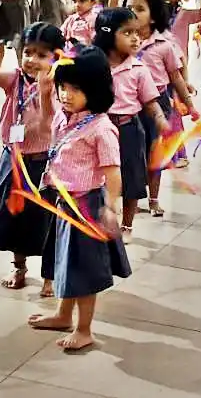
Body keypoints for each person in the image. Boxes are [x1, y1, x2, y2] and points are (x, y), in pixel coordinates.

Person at [26, 46, 130, 352]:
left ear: (95, 90)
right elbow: (48, 120)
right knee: (66, 262)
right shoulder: (67, 117)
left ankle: (84, 329)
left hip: (87, 206)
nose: (66, 94)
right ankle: (62, 315)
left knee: (84, 269)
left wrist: (111, 208)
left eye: (75, 89)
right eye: (63, 87)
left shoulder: (101, 128)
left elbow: (113, 174)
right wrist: (46, 93)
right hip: (64, 202)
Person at [0, 22, 64, 293]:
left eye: (41, 55)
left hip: (43, 163)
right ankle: (19, 266)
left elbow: (49, 126)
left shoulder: (59, 87)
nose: (32, 60)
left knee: (46, 223)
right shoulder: (16, 79)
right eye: (28, 52)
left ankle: (49, 277)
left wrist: (46, 94)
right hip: (13, 159)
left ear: (57, 57)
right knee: (13, 218)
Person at [96, 7, 167, 236]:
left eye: (137, 32)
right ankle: (99, 217)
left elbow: (150, 101)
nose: (136, 38)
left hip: (128, 129)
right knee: (97, 176)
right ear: (108, 34)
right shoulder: (94, 65)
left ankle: (127, 225)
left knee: (132, 178)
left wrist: (160, 119)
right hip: (98, 129)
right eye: (127, 33)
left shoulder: (139, 68)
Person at [124, 0, 192, 220]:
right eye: (129, 7)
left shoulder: (165, 44)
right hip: (128, 103)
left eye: (139, 9)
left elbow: (176, 77)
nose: (132, 12)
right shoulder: (120, 40)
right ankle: (128, 198)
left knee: (155, 153)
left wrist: (189, 105)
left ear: (153, 17)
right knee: (130, 153)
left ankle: (153, 199)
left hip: (157, 105)